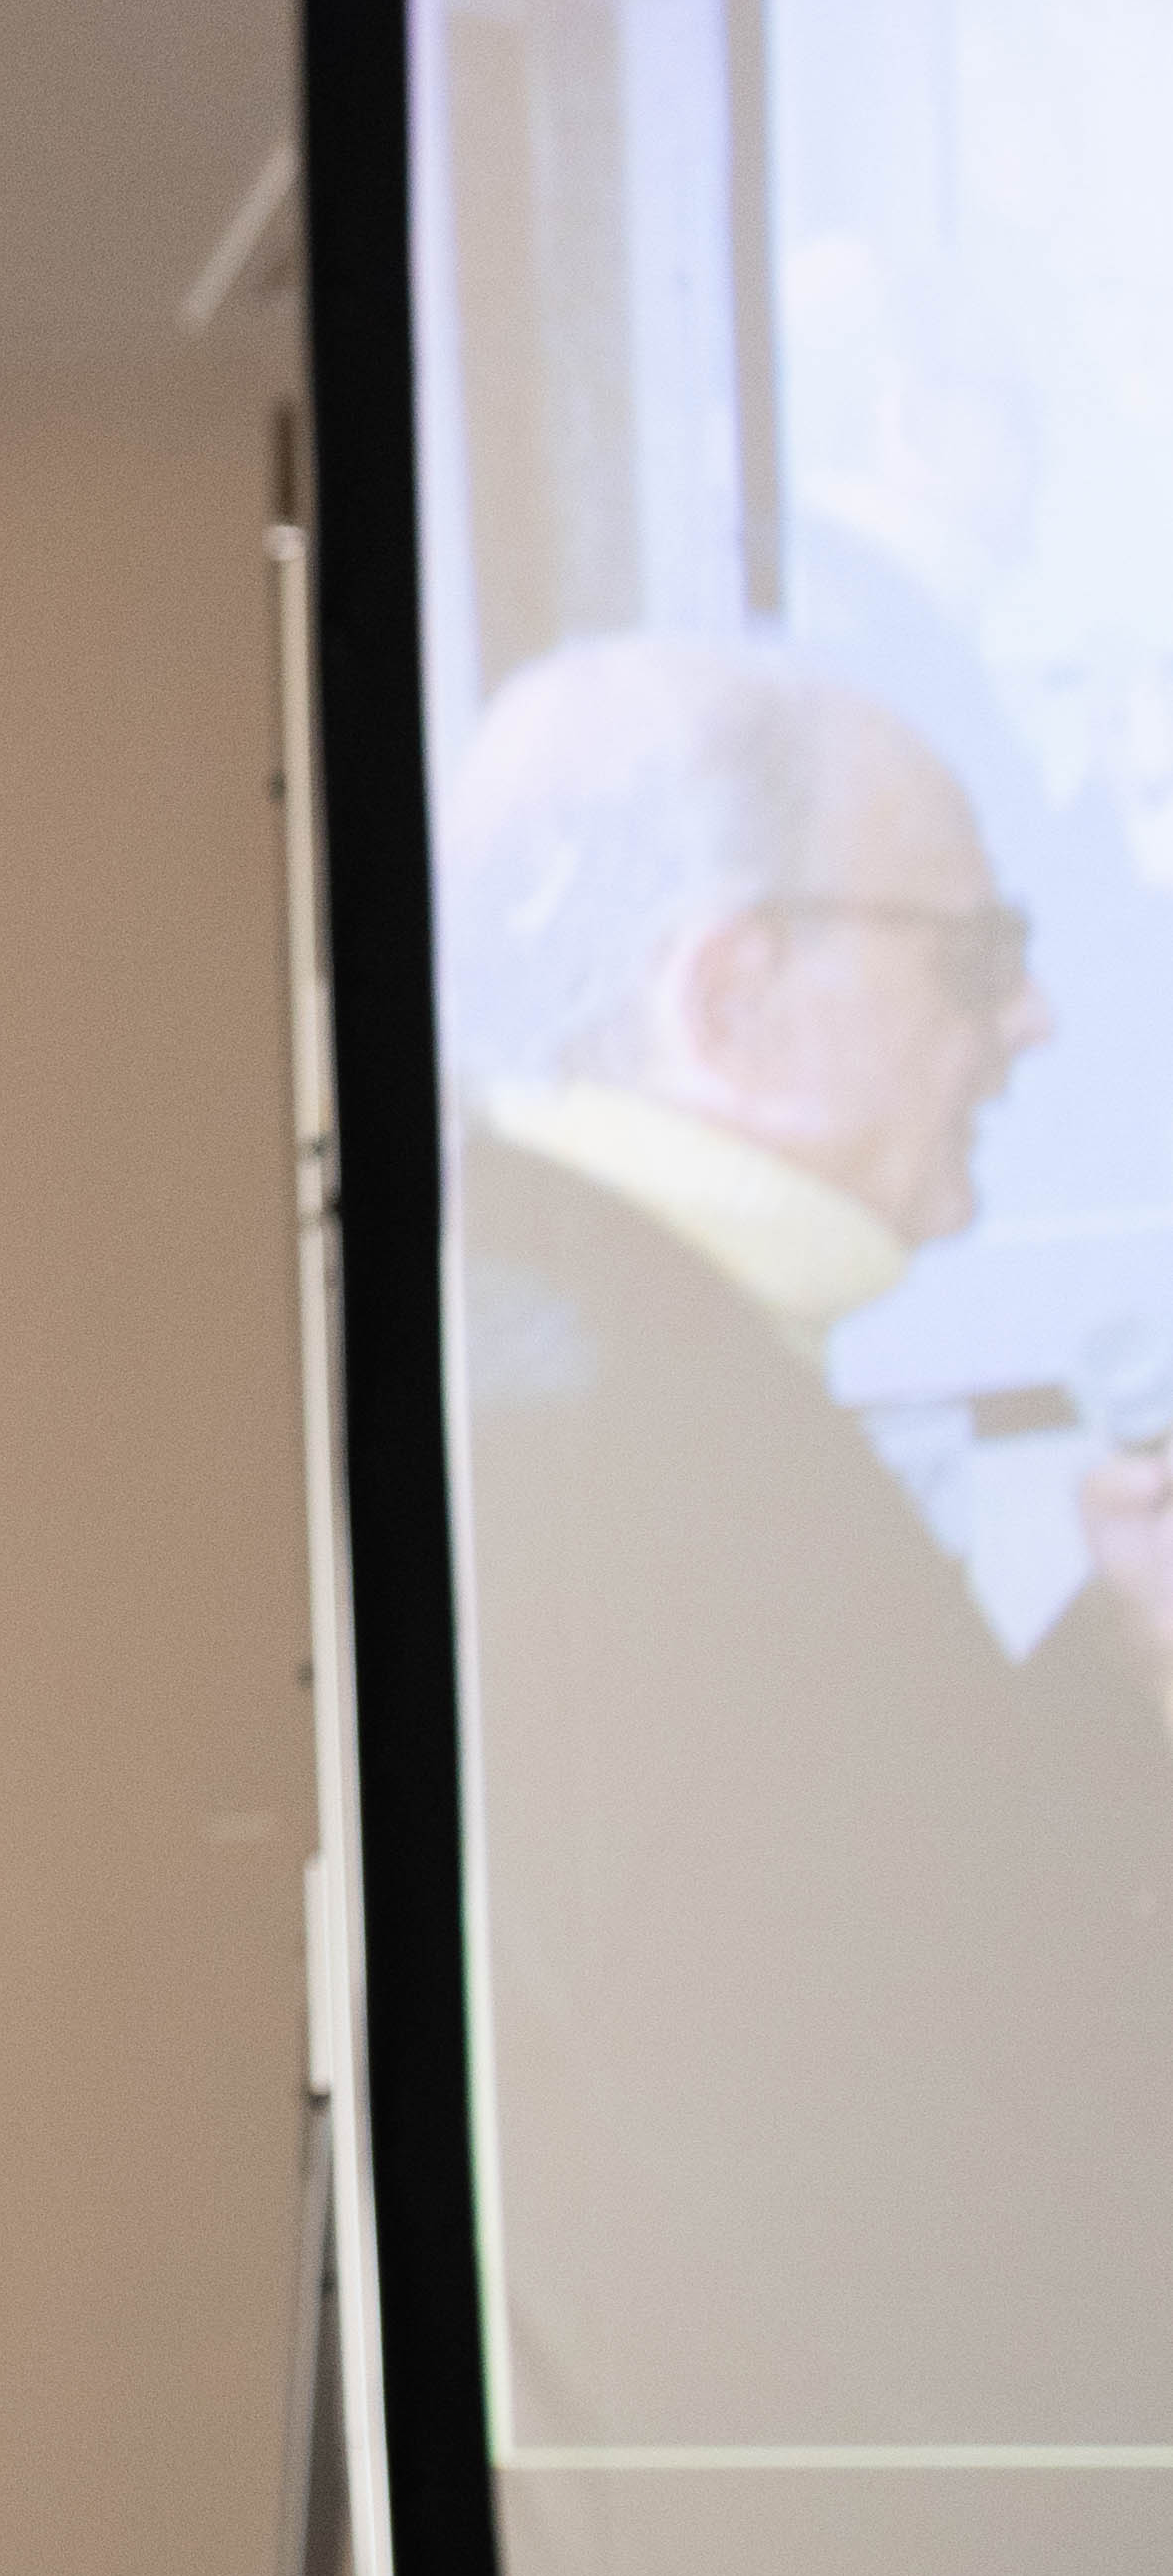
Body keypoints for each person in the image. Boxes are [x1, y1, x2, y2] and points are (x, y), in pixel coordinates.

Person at [440, 635, 1173, 2447]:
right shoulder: (600, 1421)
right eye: (973, 958)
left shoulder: (586, 1351)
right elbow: (934, 2155)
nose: (1031, 1020)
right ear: (730, 997)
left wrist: (1116, 1662)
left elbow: (878, 1901)